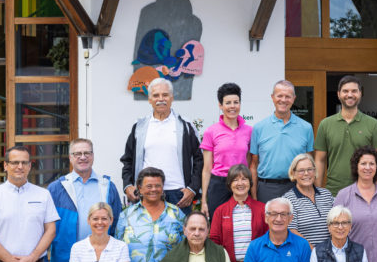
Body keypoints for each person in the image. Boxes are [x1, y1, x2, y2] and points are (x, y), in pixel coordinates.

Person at [120, 78, 203, 207]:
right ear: (149, 99)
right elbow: (127, 160)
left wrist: (193, 188)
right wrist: (128, 185)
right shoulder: (139, 127)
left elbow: (199, 159)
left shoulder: (185, 126)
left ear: (172, 97)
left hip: (179, 194)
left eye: (165, 95)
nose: (161, 99)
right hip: (147, 193)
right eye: (156, 95)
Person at [315, 74, 377, 196]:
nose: (350, 94)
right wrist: (317, 194)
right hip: (334, 193)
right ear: (338, 94)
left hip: (365, 193)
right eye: (345, 91)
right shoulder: (325, 124)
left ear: (360, 93)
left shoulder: (374, 124)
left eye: (354, 91)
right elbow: (319, 161)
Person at [249, 80, 314, 203]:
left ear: (294, 98)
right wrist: (254, 197)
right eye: (279, 96)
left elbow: (309, 164)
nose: (283, 100)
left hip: (297, 187)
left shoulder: (306, 128)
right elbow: (253, 165)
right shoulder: (259, 128)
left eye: (288, 96)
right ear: (272, 97)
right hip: (266, 188)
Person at [200, 82, 252, 217]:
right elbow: (207, 169)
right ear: (220, 105)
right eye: (228, 103)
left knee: (243, 221)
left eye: (236, 102)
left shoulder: (249, 131)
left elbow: (249, 161)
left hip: (241, 182)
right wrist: (204, 200)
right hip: (219, 184)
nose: (232, 106)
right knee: (218, 221)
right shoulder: (211, 131)